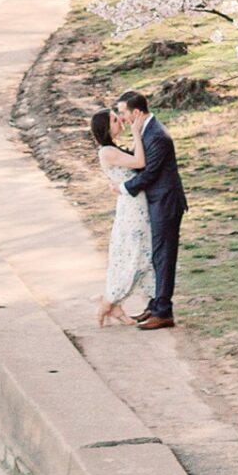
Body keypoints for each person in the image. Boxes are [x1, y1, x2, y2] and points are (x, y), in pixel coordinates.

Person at [116, 89, 187, 329]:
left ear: (136, 112)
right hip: (158, 202)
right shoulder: (145, 131)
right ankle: (155, 304)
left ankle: (164, 311)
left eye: (123, 112)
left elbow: (149, 173)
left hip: (166, 203)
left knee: (164, 255)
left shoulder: (157, 135)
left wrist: (124, 187)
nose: (121, 117)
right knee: (156, 254)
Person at [89, 107, 154, 327]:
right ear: (106, 128)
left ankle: (114, 301)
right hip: (133, 207)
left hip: (135, 203)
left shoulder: (112, 149)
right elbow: (139, 163)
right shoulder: (106, 151)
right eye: (115, 120)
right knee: (134, 253)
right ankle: (109, 301)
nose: (121, 122)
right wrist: (137, 132)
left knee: (141, 252)